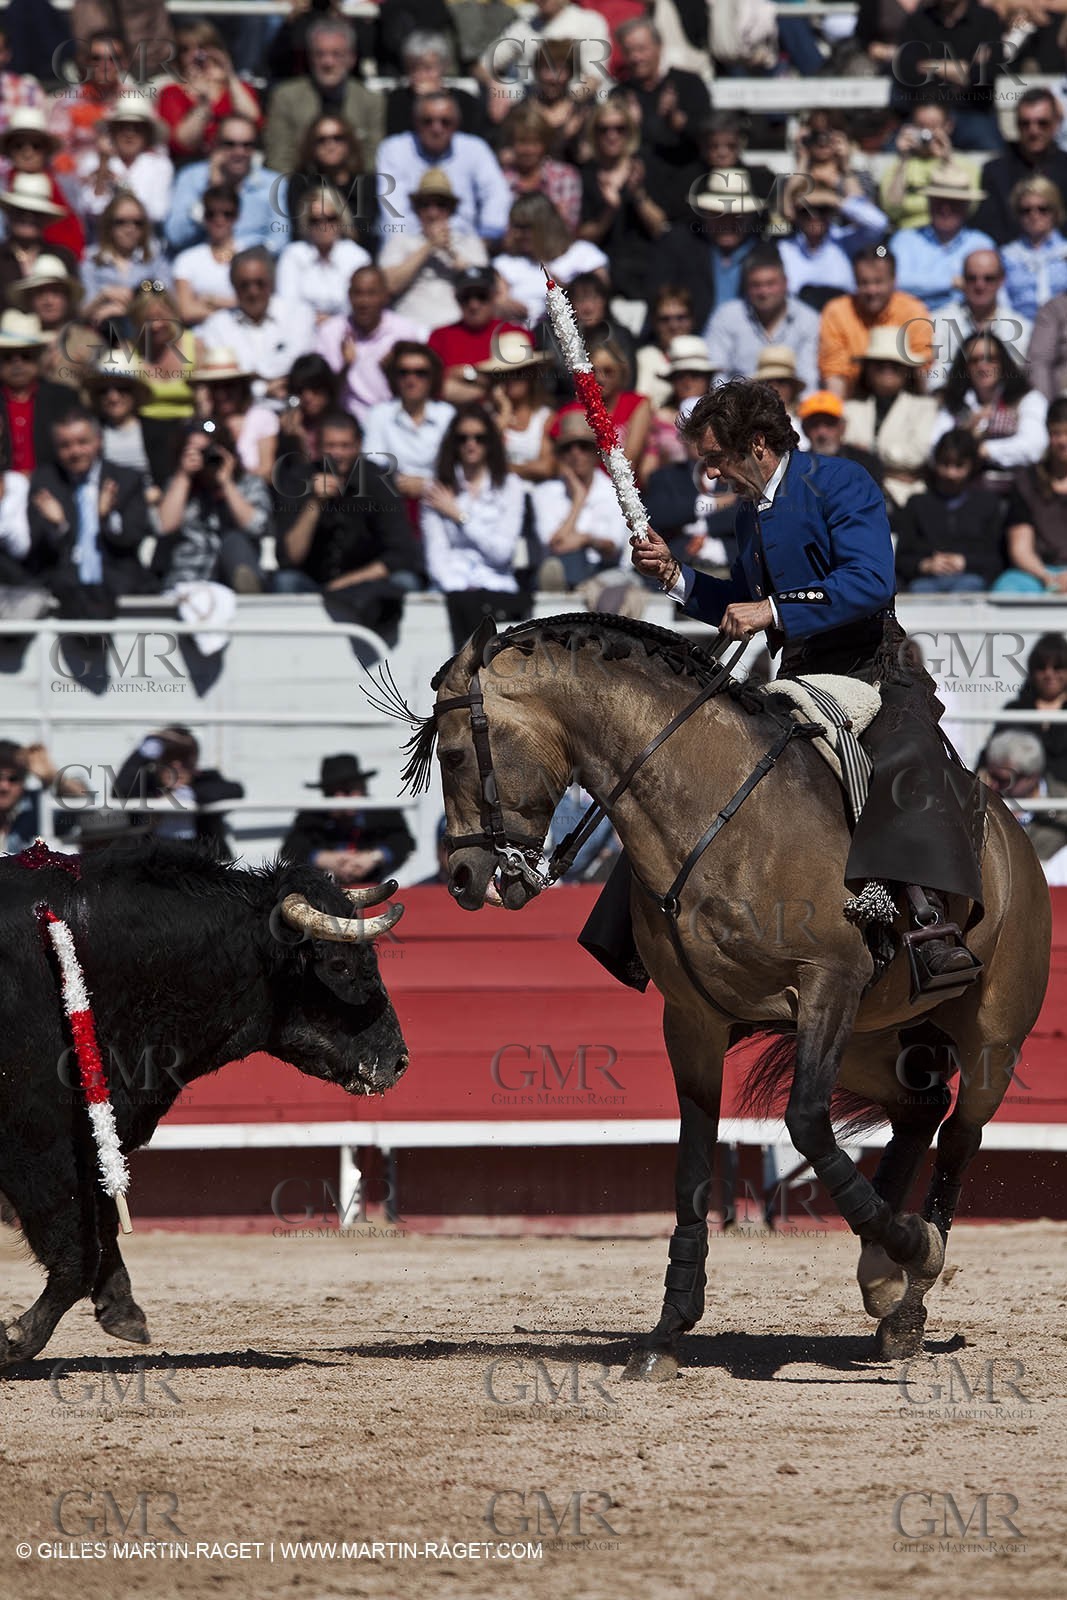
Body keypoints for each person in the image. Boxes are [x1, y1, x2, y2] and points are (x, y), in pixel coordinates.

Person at [629, 378, 984, 989]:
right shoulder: (750, 512)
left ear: (759, 445)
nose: (710, 475)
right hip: (801, 674)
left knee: (904, 757)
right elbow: (741, 598)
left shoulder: (842, 482)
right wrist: (678, 578)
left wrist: (773, 612)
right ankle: (648, 932)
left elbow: (871, 580)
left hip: (875, 662)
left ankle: (929, 924)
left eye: (716, 458)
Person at [273, 409, 423, 631]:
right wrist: (315, 503)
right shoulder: (298, 478)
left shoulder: (377, 481)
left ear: (359, 445)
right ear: (318, 446)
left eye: (345, 446)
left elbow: (401, 553)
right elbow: (289, 557)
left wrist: (343, 585)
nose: (337, 454)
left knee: (406, 581)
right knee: (284, 581)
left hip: (366, 583)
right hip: (313, 582)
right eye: (330, 446)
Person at [26, 406, 154, 615]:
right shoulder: (46, 481)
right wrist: (60, 525)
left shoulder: (126, 479)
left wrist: (106, 516)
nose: (75, 452)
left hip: (115, 579)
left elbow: (132, 538)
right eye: (65, 445)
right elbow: (39, 547)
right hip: (65, 583)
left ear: (98, 441)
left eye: (82, 442)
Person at [420, 402, 529, 646]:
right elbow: (436, 559)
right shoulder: (435, 488)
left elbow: (502, 553)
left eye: (480, 438)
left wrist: (458, 515)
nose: (471, 444)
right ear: (453, 442)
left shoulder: (510, 486)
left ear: (490, 442)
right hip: (451, 593)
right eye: (463, 438)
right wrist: (463, 589)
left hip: (498, 590)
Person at [374, 91, 512, 241]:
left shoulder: (475, 148)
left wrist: (486, 238)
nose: (436, 129)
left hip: (464, 243)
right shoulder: (393, 149)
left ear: (457, 123)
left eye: (445, 122)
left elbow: (496, 195)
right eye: (428, 121)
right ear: (415, 122)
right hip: (408, 244)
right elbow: (392, 211)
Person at [155, 419, 270, 592]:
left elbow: (257, 526)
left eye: (209, 452)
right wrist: (184, 476)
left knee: (234, 540)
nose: (204, 458)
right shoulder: (177, 484)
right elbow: (163, 526)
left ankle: (247, 590)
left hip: (232, 581)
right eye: (196, 452)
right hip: (186, 580)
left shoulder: (249, 483)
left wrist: (226, 483)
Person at [931, 331, 1048, 498]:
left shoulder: (1026, 399)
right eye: (974, 360)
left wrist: (983, 449)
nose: (983, 365)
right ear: (965, 366)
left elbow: (1035, 446)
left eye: (990, 358)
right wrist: (966, 431)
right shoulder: (953, 403)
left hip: (1017, 494)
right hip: (964, 495)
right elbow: (934, 447)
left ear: (1002, 362)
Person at [576, 98, 669, 307]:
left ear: (629, 132)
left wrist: (638, 195)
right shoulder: (585, 174)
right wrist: (609, 211)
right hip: (601, 280)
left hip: (644, 273)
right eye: (604, 129)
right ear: (594, 133)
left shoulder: (647, 167)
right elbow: (582, 236)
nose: (612, 135)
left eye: (620, 128)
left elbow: (660, 227)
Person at [615, 17, 709, 221]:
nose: (636, 57)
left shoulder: (688, 84)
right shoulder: (620, 94)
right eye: (629, 51)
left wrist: (678, 121)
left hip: (686, 196)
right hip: (637, 203)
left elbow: (708, 132)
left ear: (659, 47)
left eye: (642, 49)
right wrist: (628, 127)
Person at [264, 18, 384, 177]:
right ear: (310, 57)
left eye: (337, 54)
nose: (328, 62)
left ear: (351, 59)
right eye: (320, 54)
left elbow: (372, 160)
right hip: (299, 187)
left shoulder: (371, 101)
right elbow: (278, 160)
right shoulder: (285, 97)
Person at [198, 249, 316, 405]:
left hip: (293, 408)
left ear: (272, 283)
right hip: (241, 414)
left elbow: (299, 365)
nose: (253, 291)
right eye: (244, 285)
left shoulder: (299, 314)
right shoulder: (217, 325)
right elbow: (224, 381)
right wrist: (264, 388)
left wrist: (252, 375)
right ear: (233, 285)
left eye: (260, 283)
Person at [650, 175, 765, 334]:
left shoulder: (764, 252)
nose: (727, 222)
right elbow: (659, 297)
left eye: (737, 216)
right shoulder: (680, 246)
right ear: (704, 214)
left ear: (750, 217)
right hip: (690, 341)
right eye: (718, 214)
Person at [894, 428, 1004, 592]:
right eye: (945, 464)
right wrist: (925, 565)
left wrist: (965, 562)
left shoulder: (987, 504)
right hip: (925, 582)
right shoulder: (917, 504)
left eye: (959, 466)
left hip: (971, 580)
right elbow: (901, 558)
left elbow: (997, 559)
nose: (951, 473)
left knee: (968, 587)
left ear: (971, 466)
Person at [889, 0, 1006, 153]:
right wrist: (964, 69)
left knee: (994, 154)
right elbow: (907, 71)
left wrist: (930, 65)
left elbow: (988, 74)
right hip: (925, 115)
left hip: (972, 111)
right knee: (891, 151)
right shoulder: (917, 21)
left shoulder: (987, 19)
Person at [378, 168, 488, 330]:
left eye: (440, 205)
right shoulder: (399, 242)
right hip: (410, 327)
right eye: (425, 205)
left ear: (451, 209)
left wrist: (451, 253)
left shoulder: (470, 243)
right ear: (416, 209)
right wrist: (429, 246)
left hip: (457, 329)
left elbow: (485, 286)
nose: (433, 212)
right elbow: (388, 286)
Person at [533, 410, 631, 592]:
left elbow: (612, 547)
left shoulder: (614, 490)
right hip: (564, 568)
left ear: (596, 452)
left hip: (605, 571)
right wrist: (578, 499)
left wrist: (585, 539)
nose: (576, 453)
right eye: (568, 448)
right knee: (560, 564)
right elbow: (553, 545)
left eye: (583, 446)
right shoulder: (544, 493)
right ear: (560, 455)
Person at [164, 114, 287, 257]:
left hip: (251, 266)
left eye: (247, 145)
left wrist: (238, 251)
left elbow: (280, 240)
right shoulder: (191, 177)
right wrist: (211, 192)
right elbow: (176, 236)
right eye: (230, 144)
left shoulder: (274, 184)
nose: (239, 152)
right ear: (216, 145)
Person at [316, 264, 426, 423]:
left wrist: (391, 371)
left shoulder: (404, 331)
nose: (364, 302)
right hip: (346, 422)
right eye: (358, 294)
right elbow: (322, 395)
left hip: (394, 419)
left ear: (385, 296)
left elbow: (417, 387)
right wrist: (346, 366)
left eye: (371, 294)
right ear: (349, 296)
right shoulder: (331, 332)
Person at [282, 754, 415, 885]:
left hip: (374, 887)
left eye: (347, 790)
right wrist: (325, 859)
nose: (340, 798)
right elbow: (292, 847)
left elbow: (403, 841)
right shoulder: (312, 817)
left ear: (362, 787)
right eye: (332, 793)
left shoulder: (382, 812)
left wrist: (373, 857)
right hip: (328, 893)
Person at [111, 726, 244, 856]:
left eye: (184, 758)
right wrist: (144, 751)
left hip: (200, 858)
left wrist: (186, 795)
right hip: (154, 857)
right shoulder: (147, 784)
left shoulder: (204, 780)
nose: (176, 766)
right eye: (168, 758)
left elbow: (235, 790)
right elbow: (120, 791)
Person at [819, 247, 934, 397]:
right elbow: (835, 372)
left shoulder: (914, 311)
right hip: (853, 399)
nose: (872, 290)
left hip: (904, 399)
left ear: (894, 281)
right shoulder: (837, 312)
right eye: (864, 282)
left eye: (878, 282)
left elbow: (921, 369)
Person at [843, 328, 939, 508]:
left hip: (905, 499)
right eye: (879, 364)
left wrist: (867, 456)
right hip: (855, 496)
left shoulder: (925, 408)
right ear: (868, 369)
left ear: (906, 369)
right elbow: (842, 453)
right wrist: (892, 467)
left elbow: (918, 454)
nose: (887, 370)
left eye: (895, 365)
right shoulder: (849, 409)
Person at [704, 246, 820, 393]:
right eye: (756, 285)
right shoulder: (726, 317)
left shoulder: (808, 320)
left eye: (770, 284)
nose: (764, 292)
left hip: (792, 408)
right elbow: (717, 372)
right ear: (746, 287)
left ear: (785, 283)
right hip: (739, 407)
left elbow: (808, 379)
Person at [888, 165, 994, 314]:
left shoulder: (981, 244)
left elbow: (993, 290)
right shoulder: (904, 240)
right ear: (929, 202)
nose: (946, 209)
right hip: (911, 321)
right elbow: (895, 282)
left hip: (965, 326)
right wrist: (951, 282)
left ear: (966, 206)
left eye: (954, 203)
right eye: (939, 201)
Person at [361, 341, 455, 507]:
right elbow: (373, 467)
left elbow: (457, 471)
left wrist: (425, 486)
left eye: (421, 373)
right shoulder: (379, 414)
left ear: (433, 377)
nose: (411, 379)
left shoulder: (448, 415)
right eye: (403, 372)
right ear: (394, 377)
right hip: (390, 500)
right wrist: (402, 483)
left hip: (438, 502)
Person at [156, 20, 261, 165]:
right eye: (185, 49)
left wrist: (229, 75)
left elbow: (253, 120)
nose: (195, 55)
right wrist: (204, 103)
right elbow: (183, 143)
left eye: (203, 47)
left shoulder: (239, 88)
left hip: (237, 163)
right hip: (191, 166)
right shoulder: (171, 92)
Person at [493, 193, 608, 326]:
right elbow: (497, 302)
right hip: (521, 336)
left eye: (525, 228)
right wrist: (504, 305)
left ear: (545, 225)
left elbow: (602, 299)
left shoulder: (584, 255)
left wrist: (568, 292)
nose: (518, 234)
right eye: (515, 227)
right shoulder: (505, 264)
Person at [928, 248, 1032, 393]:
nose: (980, 285)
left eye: (988, 278)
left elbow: (1020, 378)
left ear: (1002, 280)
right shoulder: (937, 322)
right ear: (962, 280)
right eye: (972, 278)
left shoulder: (1022, 328)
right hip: (952, 406)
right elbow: (934, 376)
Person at [974, 85, 1067, 246]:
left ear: (1057, 122)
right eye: (1025, 123)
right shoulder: (995, 172)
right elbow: (988, 227)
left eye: (1042, 123)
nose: (1033, 130)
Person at [994, 398, 1067, 593]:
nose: (1062, 441)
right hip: (1038, 571)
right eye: (1056, 433)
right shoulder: (1027, 481)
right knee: (1007, 590)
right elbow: (1021, 548)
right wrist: (1049, 578)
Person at [426, 265, 525, 405]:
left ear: (494, 296)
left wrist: (467, 375)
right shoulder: (439, 337)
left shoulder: (515, 333)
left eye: (481, 296)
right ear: (457, 298)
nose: (474, 305)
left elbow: (521, 384)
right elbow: (431, 385)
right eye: (466, 297)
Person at [74, 96, 174, 233]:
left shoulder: (160, 166)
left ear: (148, 133)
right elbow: (93, 209)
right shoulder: (92, 162)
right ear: (112, 132)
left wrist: (122, 186)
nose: (129, 133)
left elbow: (157, 214)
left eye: (137, 128)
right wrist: (104, 162)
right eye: (123, 127)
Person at [553, 339, 650, 478]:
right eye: (593, 371)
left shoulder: (636, 404)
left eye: (608, 371)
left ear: (621, 372)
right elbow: (559, 463)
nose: (600, 378)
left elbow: (630, 461)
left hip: (624, 488)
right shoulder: (572, 410)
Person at [275, 186, 372, 325]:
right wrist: (310, 320)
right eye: (315, 220)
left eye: (330, 218)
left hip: (347, 330)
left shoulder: (358, 258)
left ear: (341, 219)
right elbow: (287, 304)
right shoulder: (293, 255)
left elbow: (360, 306)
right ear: (306, 223)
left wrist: (332, 323)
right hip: (302, 330)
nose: (324, 225)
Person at [284, 115, 375, 256]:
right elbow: (299, 231)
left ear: (349, 142)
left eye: (338, 138)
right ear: (311, 145)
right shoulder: (300, 183)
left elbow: (365, 230)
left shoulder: (366, 183)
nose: (330, 145)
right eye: (321, 140)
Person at [0, 107, 84, 259]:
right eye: (19, 145)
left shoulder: (66, 186)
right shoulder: (2, 187)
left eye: (36, 146)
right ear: (9, 150)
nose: (27, 152)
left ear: (46, 151)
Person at [79, 194, 171, 331]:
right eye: (121, 222)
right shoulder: (91, 264)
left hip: (146, 335)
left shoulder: (155, 261)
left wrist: (131, 304)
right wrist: (104, 295)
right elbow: (82, 313)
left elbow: (164, 293)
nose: (129, 228)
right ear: (108, 225)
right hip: (102, 336)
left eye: (137, 223)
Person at [986, 632, 1067, 782]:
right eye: (1041, 667)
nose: (1049, 673)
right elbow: (987, 759)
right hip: (1019, 798)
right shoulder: (1014, 711)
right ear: (1032, 670)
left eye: (1058, 667)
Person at [476, 329, 555, 482]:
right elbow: (480, 457)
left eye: (518, 372)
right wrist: (505, 412)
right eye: (504, 373)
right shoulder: (484, 415)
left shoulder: (544, 417)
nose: (511, 379)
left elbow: (546, 468)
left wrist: (504, 467)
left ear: (531, 375)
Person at [0, 310, 71, 474]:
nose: (17, 364)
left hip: (52, 489)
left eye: (26, 356)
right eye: (8, 357)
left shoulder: (63, 397)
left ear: (38, 358)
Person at [981, 731, 1067, 866]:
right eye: (991, 775)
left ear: (1032, 777)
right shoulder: (980, 801)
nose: (993, 784)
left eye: (1003, 779)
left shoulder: (1062, 806)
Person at [191, 348, 278, 481]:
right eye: (215, 387)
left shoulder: (262, 417)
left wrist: (231, 474)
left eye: (228, 386)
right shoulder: (203, 424)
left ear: (242, 387)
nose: (222, 394)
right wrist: (203, 416)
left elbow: (267, 472)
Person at [879, 104, 967, 230]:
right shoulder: (897, 165)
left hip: (952, 233)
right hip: (908, 233)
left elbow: (967, 208)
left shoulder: (963, 164)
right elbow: (892, 210)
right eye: (920, 127)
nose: (926, 134)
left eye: (933, 127)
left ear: (948, 126)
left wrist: (947, 160)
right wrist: (903, 159)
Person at [641, 335, 717, 481]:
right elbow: (646, 474)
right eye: (680, 375)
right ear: (672, 379)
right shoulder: (657, 419)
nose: (687, 382)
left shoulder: (723, 418)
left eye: (695, 374)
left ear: (707, 378)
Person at [497, 104, 581, 234]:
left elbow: (568, 228)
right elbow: (499, 228)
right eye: (522, 142)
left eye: (534, 142)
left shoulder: (565, 176)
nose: (528, 150)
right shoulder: (500, 179)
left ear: (544, 144)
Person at [386, 32, 484, 138]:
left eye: (428, 69)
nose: (420, 75)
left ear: (443, 67)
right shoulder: (397, 100)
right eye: (414, 69)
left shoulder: (464, 101)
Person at [0, 171, 78, 304]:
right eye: (20, 210)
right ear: (10, 213)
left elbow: (72, 304)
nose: (28, 217)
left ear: (46, 218)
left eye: (36, 213)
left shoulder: (63, 256)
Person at [172, 183, 240, 327]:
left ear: (237, 216)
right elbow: (186, 312)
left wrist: (212, 301)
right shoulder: (186, 260)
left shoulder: (251, 257)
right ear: (204, 216)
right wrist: (234, 306)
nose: (219, 220)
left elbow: (258, 304)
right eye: (211, 214)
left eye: (227, 214)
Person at [1001, 176, 1067, 324]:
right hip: (1019, 332)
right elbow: (1002, 303)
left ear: (1055, 211)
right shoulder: (1007, 256)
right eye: (1026, 210)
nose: (1034, 215)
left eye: (1042, 209)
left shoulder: (1065, 251)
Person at [82, 361, 155, 490]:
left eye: (122, 389)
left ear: (134, 393)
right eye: (104, 391)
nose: (113, 397)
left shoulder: (153, 430)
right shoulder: (92, 431)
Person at [795, 390, 884, 488]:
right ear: (804, 429)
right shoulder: (795, 469)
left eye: (829, 423)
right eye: (814, 424)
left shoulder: (866, 463)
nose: (822, 432)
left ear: (842, 427)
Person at [634, 285, 696, 407]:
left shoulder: (703, 353)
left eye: (681, 318)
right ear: (654, 322)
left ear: (692, 319)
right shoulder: (645, 357)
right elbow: (639, 404)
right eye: (665, 319)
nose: (673, 325)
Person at [277, 353, 338, 466]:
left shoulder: (342, 425)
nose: (307, 397)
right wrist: (297, 440)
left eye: (314, 387)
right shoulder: (289, 428)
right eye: (300, 390)